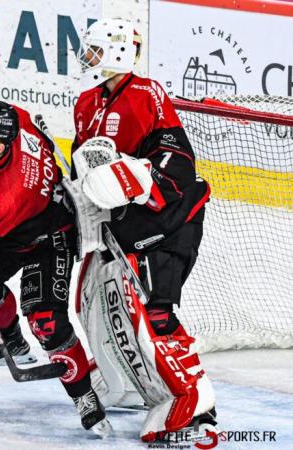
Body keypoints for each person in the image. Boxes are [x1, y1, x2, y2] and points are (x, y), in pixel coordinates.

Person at [71, 18, 216, 439]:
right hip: (122, 229)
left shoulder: (145, 94)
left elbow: (179, 164)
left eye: (95, 49)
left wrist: (140, 178)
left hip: (169, 223)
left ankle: (196, 401)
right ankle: (129, 382)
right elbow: (86, 168)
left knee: (155, 312)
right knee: (95, 302)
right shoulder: (85, 103)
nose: (89, 58)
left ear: (116, 51)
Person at [0, 100, 111, 436]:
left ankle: (85, 396)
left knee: (47, 322)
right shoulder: (14, 119)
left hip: (49, 238)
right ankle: (10, 342)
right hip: (23, 222)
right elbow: (36, 136)